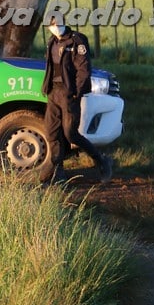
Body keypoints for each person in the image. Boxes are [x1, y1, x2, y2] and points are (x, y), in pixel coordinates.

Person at [40, 15, 113, 184]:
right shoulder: (52, 41)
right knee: (52, 132)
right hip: (53, 91)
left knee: (70, 133)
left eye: (57, 23)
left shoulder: (77, 41)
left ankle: (101, 160)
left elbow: (84, 69)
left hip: (69, 93)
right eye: (52, 24)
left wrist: (77, 92)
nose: (55, 26)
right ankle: (58, 171)